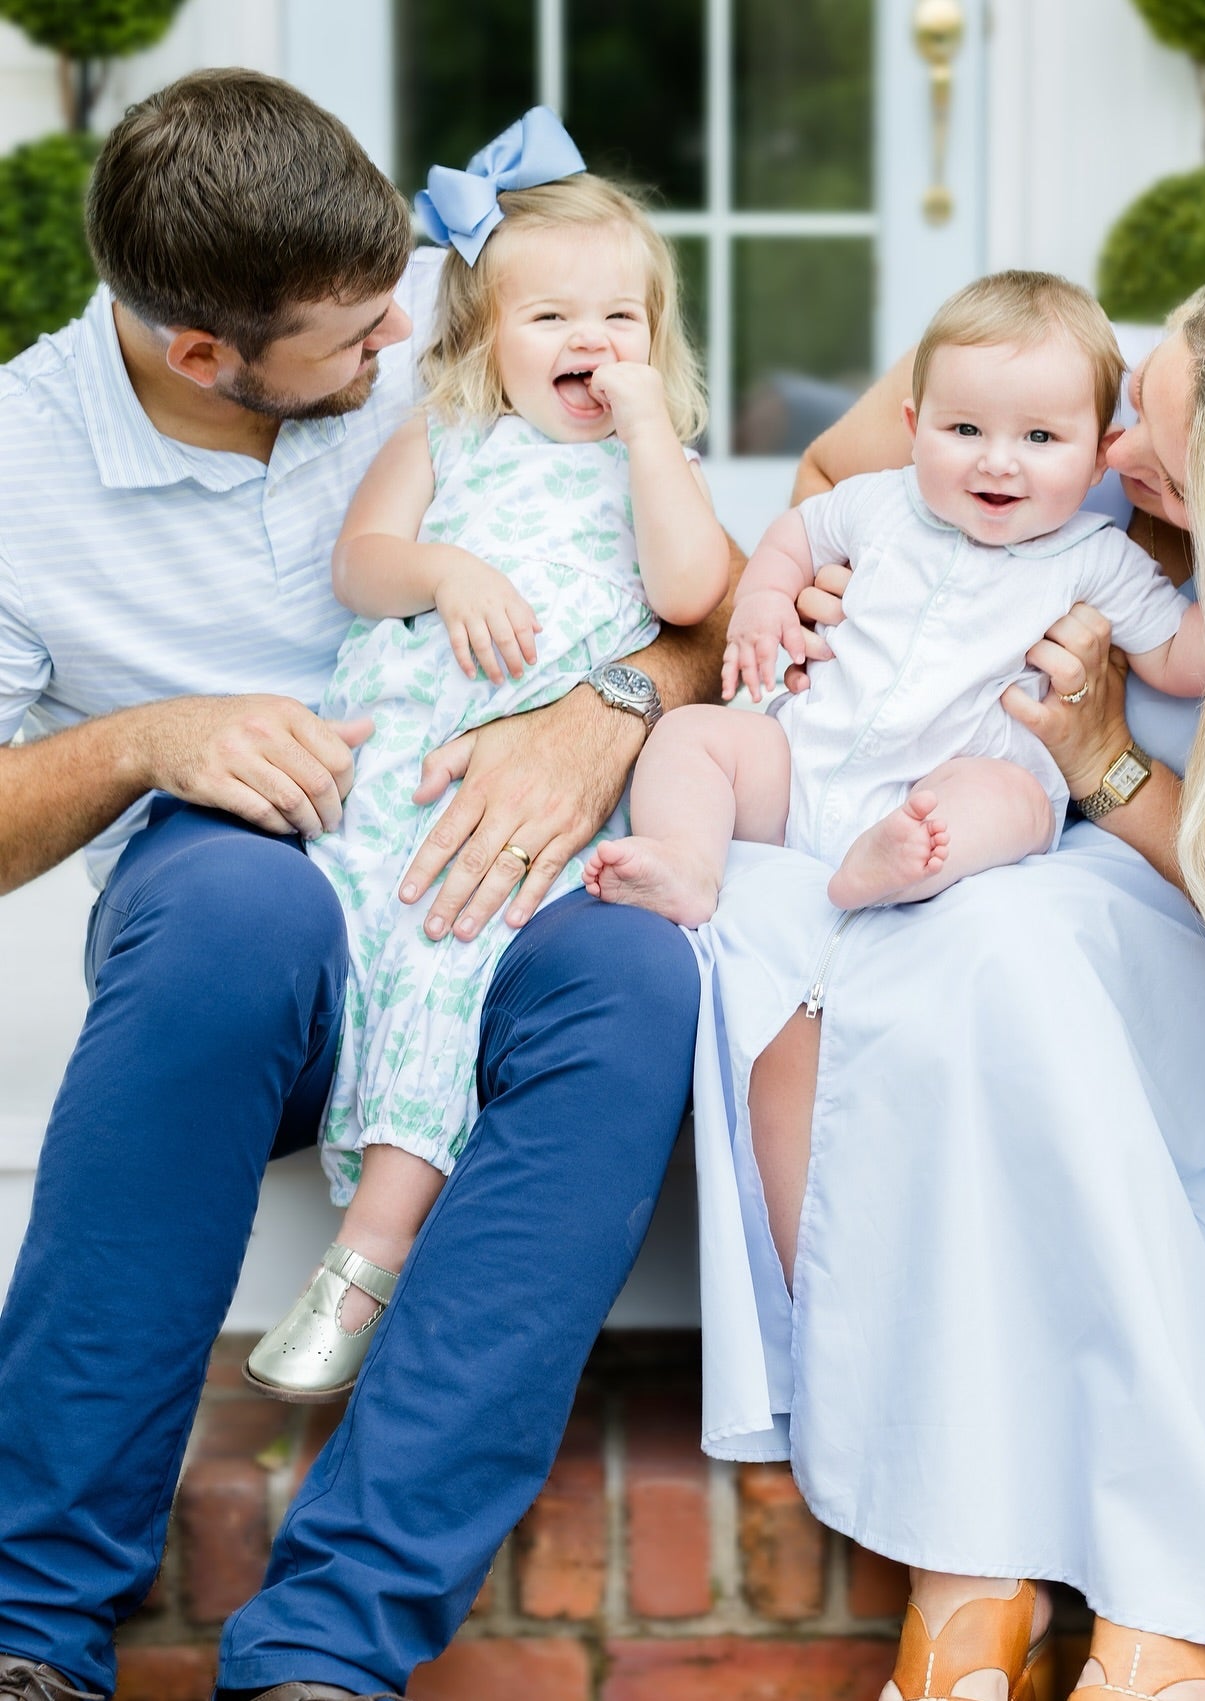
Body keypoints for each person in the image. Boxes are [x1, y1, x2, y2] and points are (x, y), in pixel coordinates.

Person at [0, 72, 726, 1701]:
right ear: (203, 352)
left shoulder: (467, 351)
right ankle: (26, 1621)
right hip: (253, 927)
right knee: (231, 907)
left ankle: (329, 1647)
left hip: (488, 879)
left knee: (636, 979)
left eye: (401, 299)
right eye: (353, 338)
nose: (405, 341)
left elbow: (695, 610)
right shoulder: (16, 471)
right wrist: (146, 741)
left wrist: (602, 714)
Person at [688, 260, 1205, 1701]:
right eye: (1134, 405)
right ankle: (979, 1567)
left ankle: (1157, 1590)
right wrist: (816, 579)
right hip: (1070, 913)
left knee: (996, 956)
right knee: (951, 956)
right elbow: (855, 460)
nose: (1113, 456)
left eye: (1152, 447)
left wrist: (1102, 757)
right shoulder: (1077, 444)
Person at [244, 120, 730, 1404]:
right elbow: (364, 564)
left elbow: (695, 593)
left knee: (457, 939)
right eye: (553, 315)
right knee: (363, 926)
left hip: (543, 791)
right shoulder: (443, 433)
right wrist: (445, 569)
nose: (593, 342)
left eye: (620, 318)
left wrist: (645, 443)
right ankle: (382, 1192)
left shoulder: (654, 467)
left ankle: (371, 1254)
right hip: (405, 750)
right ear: (479, 338)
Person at [584, 272, 1205, 930]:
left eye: (1040, 439)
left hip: (939, 793)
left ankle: (895, 865)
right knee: (689, 735)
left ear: (1097, 460)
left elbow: (1178, 651)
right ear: (914, 427)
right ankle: (686, 861)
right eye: (965, 429)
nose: (998, 461)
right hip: (804, 763)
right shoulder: (882, 500)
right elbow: (796, 534)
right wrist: (764, 601)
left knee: (1016, 801)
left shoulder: (1095, 556)